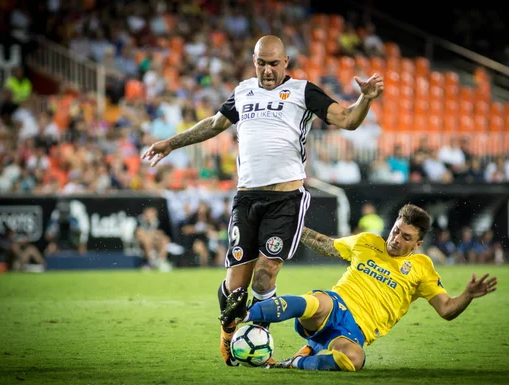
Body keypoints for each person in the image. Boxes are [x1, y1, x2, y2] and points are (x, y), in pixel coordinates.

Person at [142, 34, 384, 366]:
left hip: (286, 198)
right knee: (235, 288)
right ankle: (229, 333)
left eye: (273, 63)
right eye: (261, 63)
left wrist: (365, 99)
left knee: (264, 275)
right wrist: (170, 143)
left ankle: (260, 341)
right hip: (246, 197)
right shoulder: (243, 91)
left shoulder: (303, 91)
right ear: (253, 61)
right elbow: (214, 124)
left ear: (285, 63)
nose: (267, 70)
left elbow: (347, 119)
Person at [221, 204, 498, 371]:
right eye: (395, 230)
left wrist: (468, 295)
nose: (396, 239)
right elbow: (326, 244)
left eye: (406, 237)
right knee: (317, 301)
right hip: (335, 305)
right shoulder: (369, 242)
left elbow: (447, 309)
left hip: (355, 331)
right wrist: (295, 227)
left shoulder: (423, 267)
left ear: (418, 244)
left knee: (353, 360)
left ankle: (296, 361)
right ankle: (245, 314)